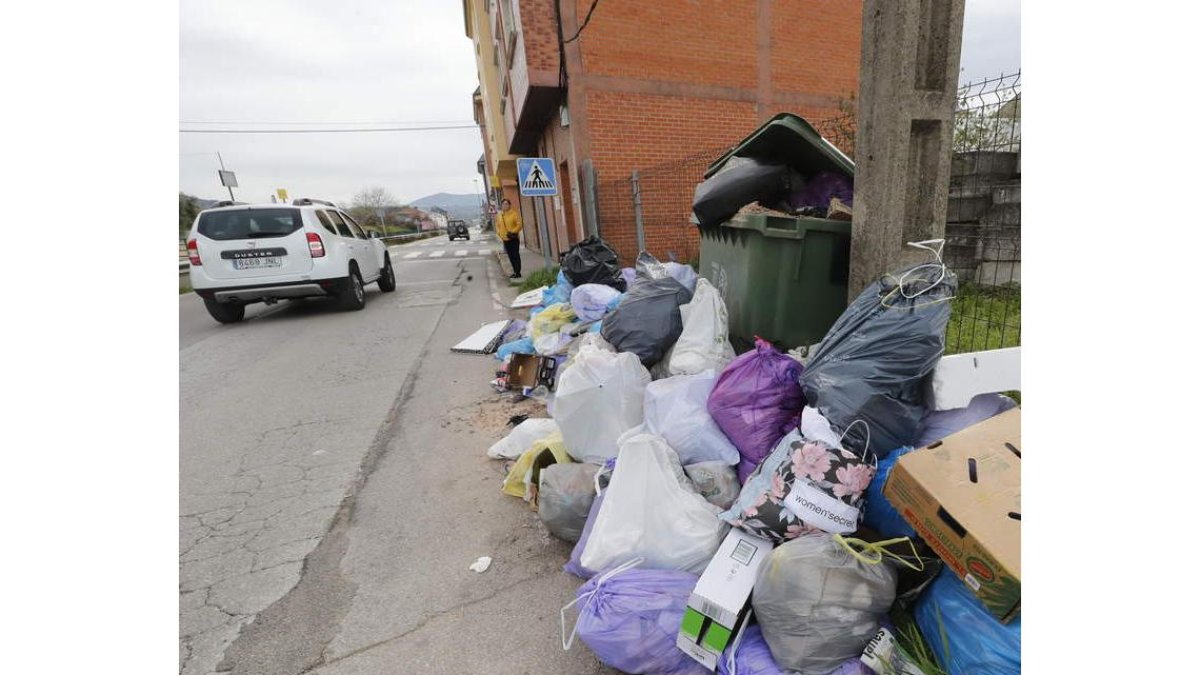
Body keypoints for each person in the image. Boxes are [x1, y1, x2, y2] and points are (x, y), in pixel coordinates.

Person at [497, 198, 523, 279]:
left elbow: (519, 225)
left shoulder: (514, 214)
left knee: (515, 255)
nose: (505, 205)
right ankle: (514, 271)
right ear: (501, 205)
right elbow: (498, 225)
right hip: (505, 239)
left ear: (509, 205)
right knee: (510, 256)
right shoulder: (500, 215)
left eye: (506, 204)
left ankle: (518, 272)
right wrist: (499, 234)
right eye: (503, 204)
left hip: (513, 238)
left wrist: (512, 232)